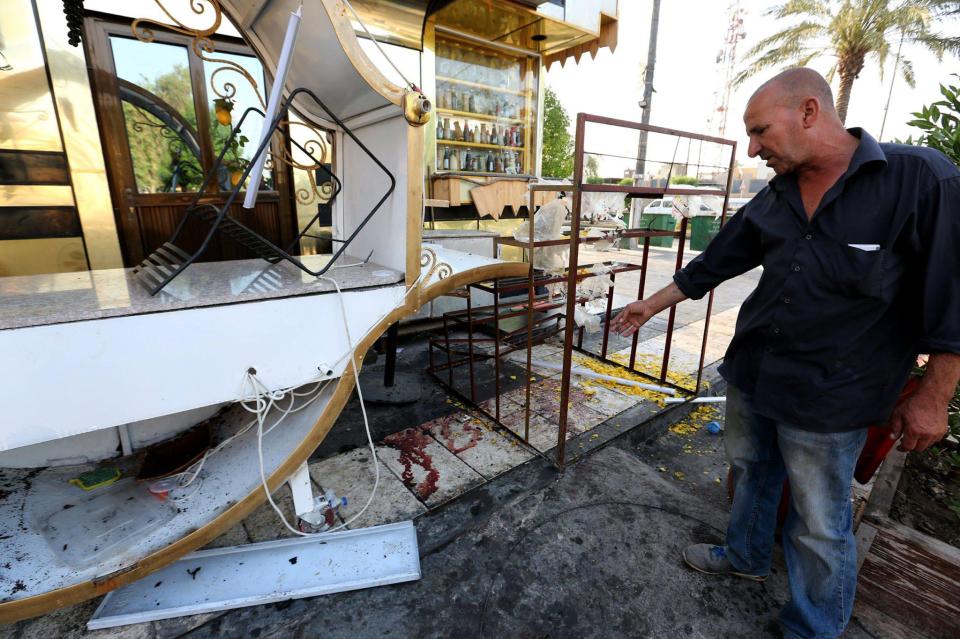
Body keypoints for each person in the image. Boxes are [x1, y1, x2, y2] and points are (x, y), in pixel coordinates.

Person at [610, 68, 960, 639]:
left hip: (834, 392)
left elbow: (953, 294)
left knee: (820, 521)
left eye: (759, 131)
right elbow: (717, 261)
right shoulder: (775, 194)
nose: (753, 148)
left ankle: (814, 626)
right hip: (755, 372)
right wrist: (651, 304)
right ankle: (745, 557)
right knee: (751, 472)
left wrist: (935, 395)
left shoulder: (920, 178)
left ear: (809, 112)